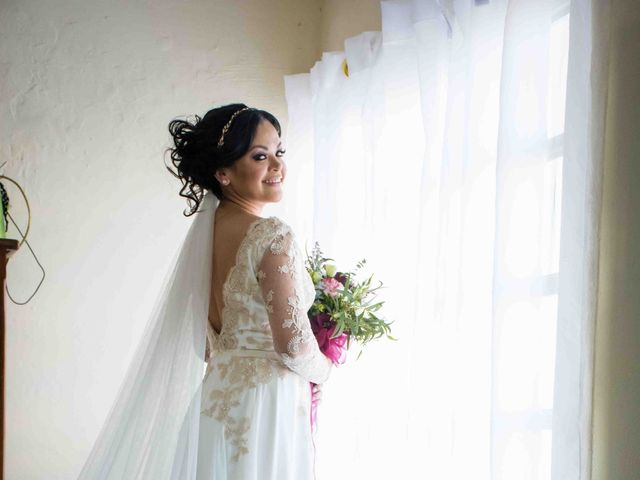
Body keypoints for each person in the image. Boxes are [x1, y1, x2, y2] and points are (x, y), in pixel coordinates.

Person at [77, 104, 332, 480]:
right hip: (265, 408)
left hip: (215, 403)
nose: (277, 166)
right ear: (223, 173)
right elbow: (293, 345)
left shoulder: (206, 235)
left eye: (279, 152)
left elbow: (207, 345)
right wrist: (325, 368)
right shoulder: (273, 235)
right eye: (260, 156)